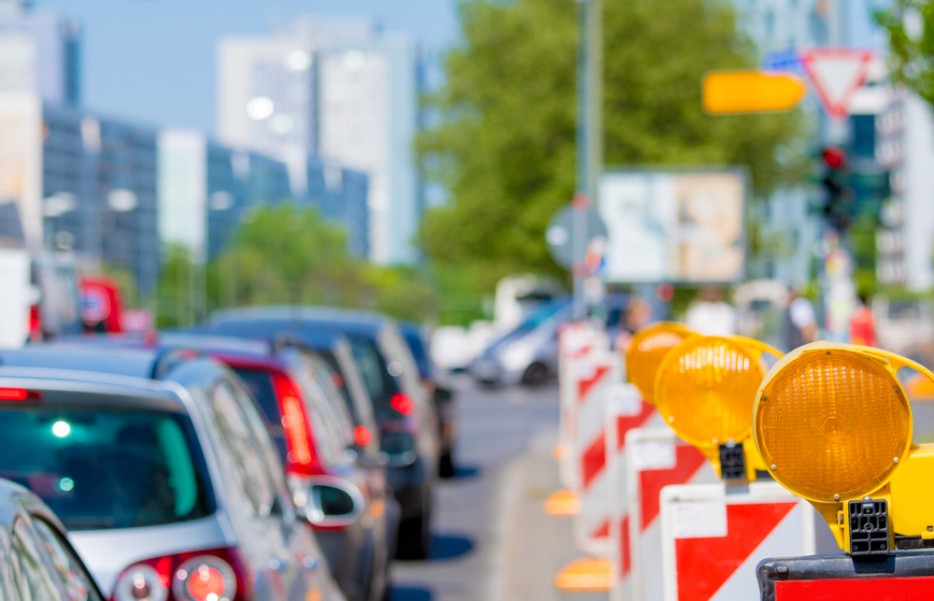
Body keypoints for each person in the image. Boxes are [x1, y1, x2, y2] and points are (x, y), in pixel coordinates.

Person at [783, 287, 817, 351]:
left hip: (800, 347)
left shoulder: (798, 306)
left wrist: (810, 345)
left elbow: (806, 327)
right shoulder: (799, 304)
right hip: (799, 347)